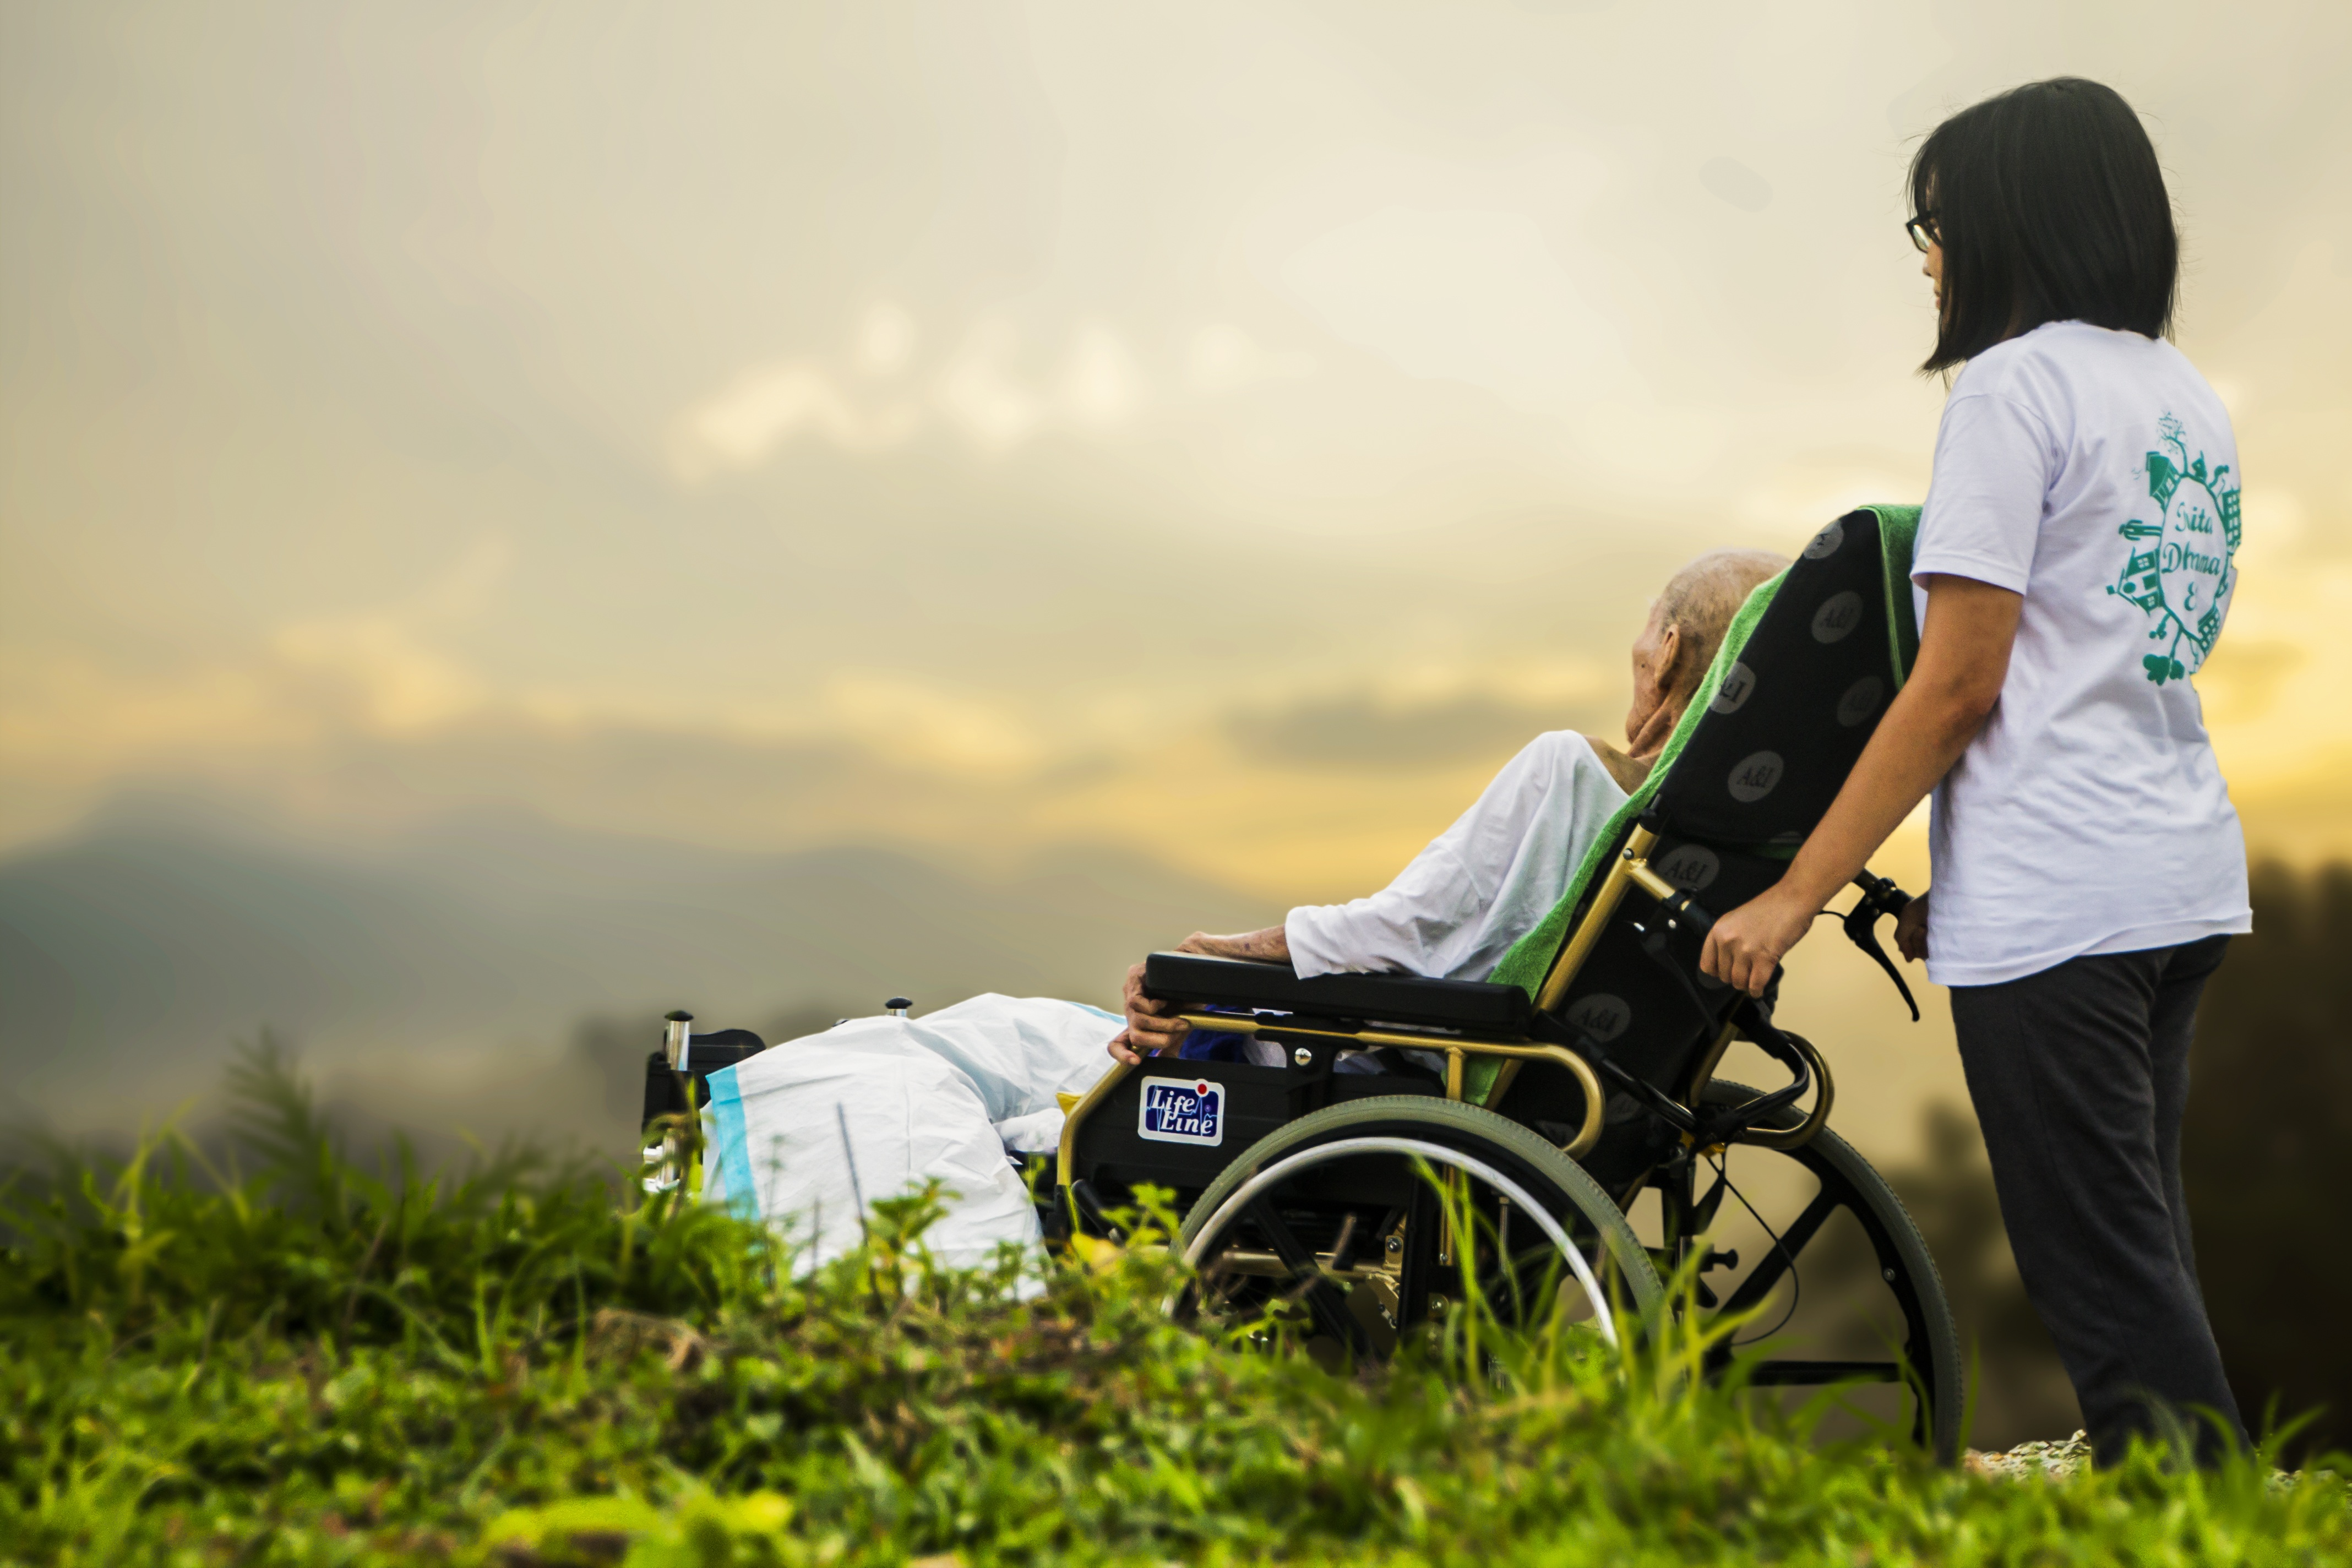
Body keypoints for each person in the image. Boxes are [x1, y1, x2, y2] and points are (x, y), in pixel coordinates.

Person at [1698, 79, 2250, 1467]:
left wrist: (1789, 895)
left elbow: (1957, 683)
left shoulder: (2012, 389)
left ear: (2013, 219)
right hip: (2176, 874)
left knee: (2106, 1273)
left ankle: (2202, 1513)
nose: (1929, 252)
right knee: (2140, 1231)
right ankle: (2187, 1489)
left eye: (1934, 222)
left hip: (2064, 903)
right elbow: (2118, 651)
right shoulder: (2181, 395)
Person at [1112, 547, 1785, 1065]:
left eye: (1645, 631)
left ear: (1667, 652)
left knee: (1013, 1039)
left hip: (1402, 1071)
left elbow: (1401, 929)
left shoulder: (1571, 775)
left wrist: (1215, 956)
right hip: (1566, 1087)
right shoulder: (1743, 839)